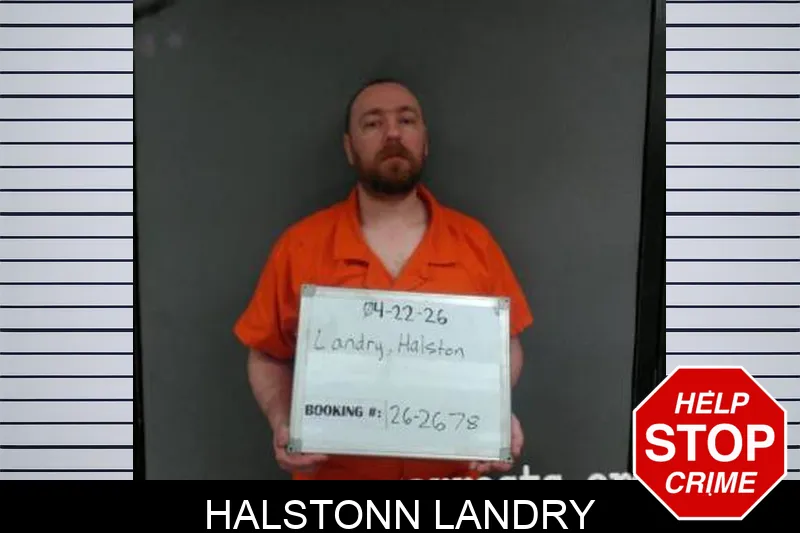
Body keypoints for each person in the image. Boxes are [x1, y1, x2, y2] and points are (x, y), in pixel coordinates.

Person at [234, 78, 533, 480]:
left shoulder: (475, 243)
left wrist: (492, 411)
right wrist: (282, 419)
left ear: (425, 141)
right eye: (372, 123)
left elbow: (506, 344)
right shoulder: (300, 246)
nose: (393, 133)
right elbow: (267, 354)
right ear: (349, 147)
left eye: (406, 120)